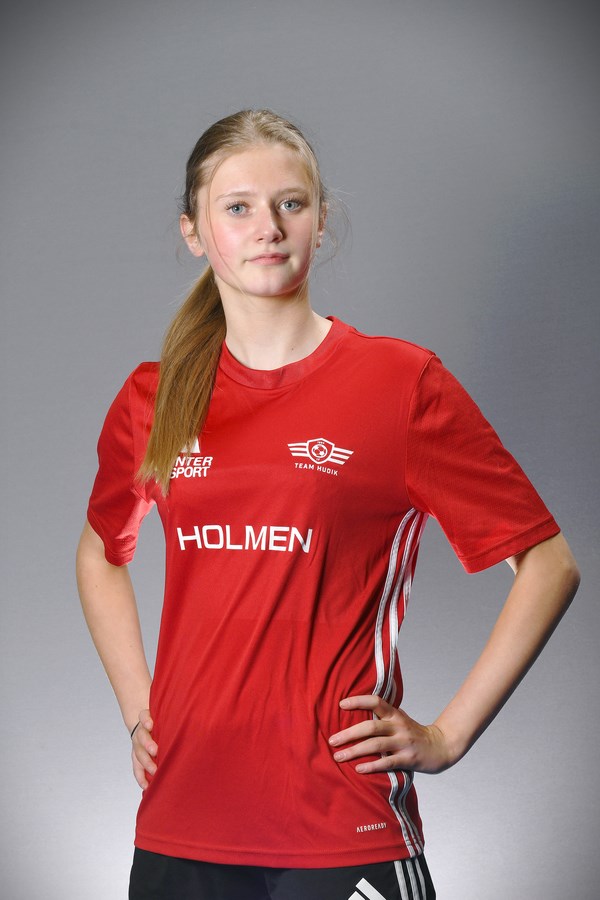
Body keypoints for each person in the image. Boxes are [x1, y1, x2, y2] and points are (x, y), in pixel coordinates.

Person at [76, 109, 579, 900]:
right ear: (194, 232)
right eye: (237, 207)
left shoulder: (401, 385)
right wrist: (142, 709)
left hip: (342, 824)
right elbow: (100, 555)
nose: (268, 227)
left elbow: (548, 564)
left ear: (320, 220)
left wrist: (448, 735)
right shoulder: (154, 397)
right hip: (182, 821)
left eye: (291, 203)